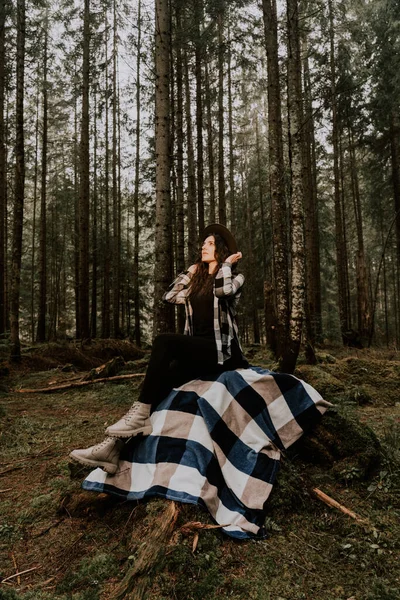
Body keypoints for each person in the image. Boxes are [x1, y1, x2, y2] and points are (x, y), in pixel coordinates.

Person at [70, 223, 248, 474]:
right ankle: (112, 448)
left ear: (221, 249)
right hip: (199, 351)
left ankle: (138, 417)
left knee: (164, 341)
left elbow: (223, 290)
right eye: (203, 243)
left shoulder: (235, 277)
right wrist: (191, 271)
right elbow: (170, 295)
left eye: (209, 243)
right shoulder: (196, 281)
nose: (203, 247)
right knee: (159, 384)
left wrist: (227, 265)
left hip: (221, 353)